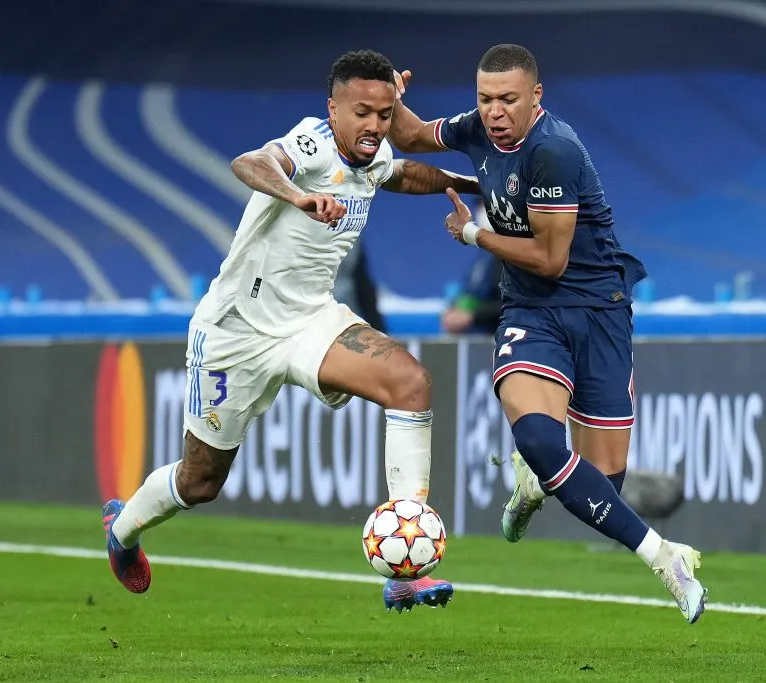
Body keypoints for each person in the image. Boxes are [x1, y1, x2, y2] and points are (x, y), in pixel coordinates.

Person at [101, 49, 480, 614]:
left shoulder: (369, 156)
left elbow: (401, 174)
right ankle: (122, 532)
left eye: (383, 114)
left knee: (411, 383)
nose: (374, 126)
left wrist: (475, 183)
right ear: (333, 109)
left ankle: (406, 569)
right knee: (201, 480)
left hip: (309, 321)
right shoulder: (310, 143)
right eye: (361, 113)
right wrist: (300, 196)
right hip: (235, 330)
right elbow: (248, 163)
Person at [387, 44, 707, 623]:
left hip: (597, 309)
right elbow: (409, 137)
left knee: (602, 483)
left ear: (537, 96)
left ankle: (532, 484)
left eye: (508, 99)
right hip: (531, 315)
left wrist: (473, 236)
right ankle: (666, 558)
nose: (494, 111)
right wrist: (392, 98)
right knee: (539, 438)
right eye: (485, 99)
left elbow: (551, 258)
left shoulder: (553, 150)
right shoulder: (478, 128)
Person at [441, 205, 502, 335]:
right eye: (479, 206)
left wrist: (472, 316)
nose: (481, 212)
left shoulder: (509, 254)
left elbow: (511, 303)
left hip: (498, 337)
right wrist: (454, 311)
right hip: (474, 338)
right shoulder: (483, 255)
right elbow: (470, 294)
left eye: (485, 205)